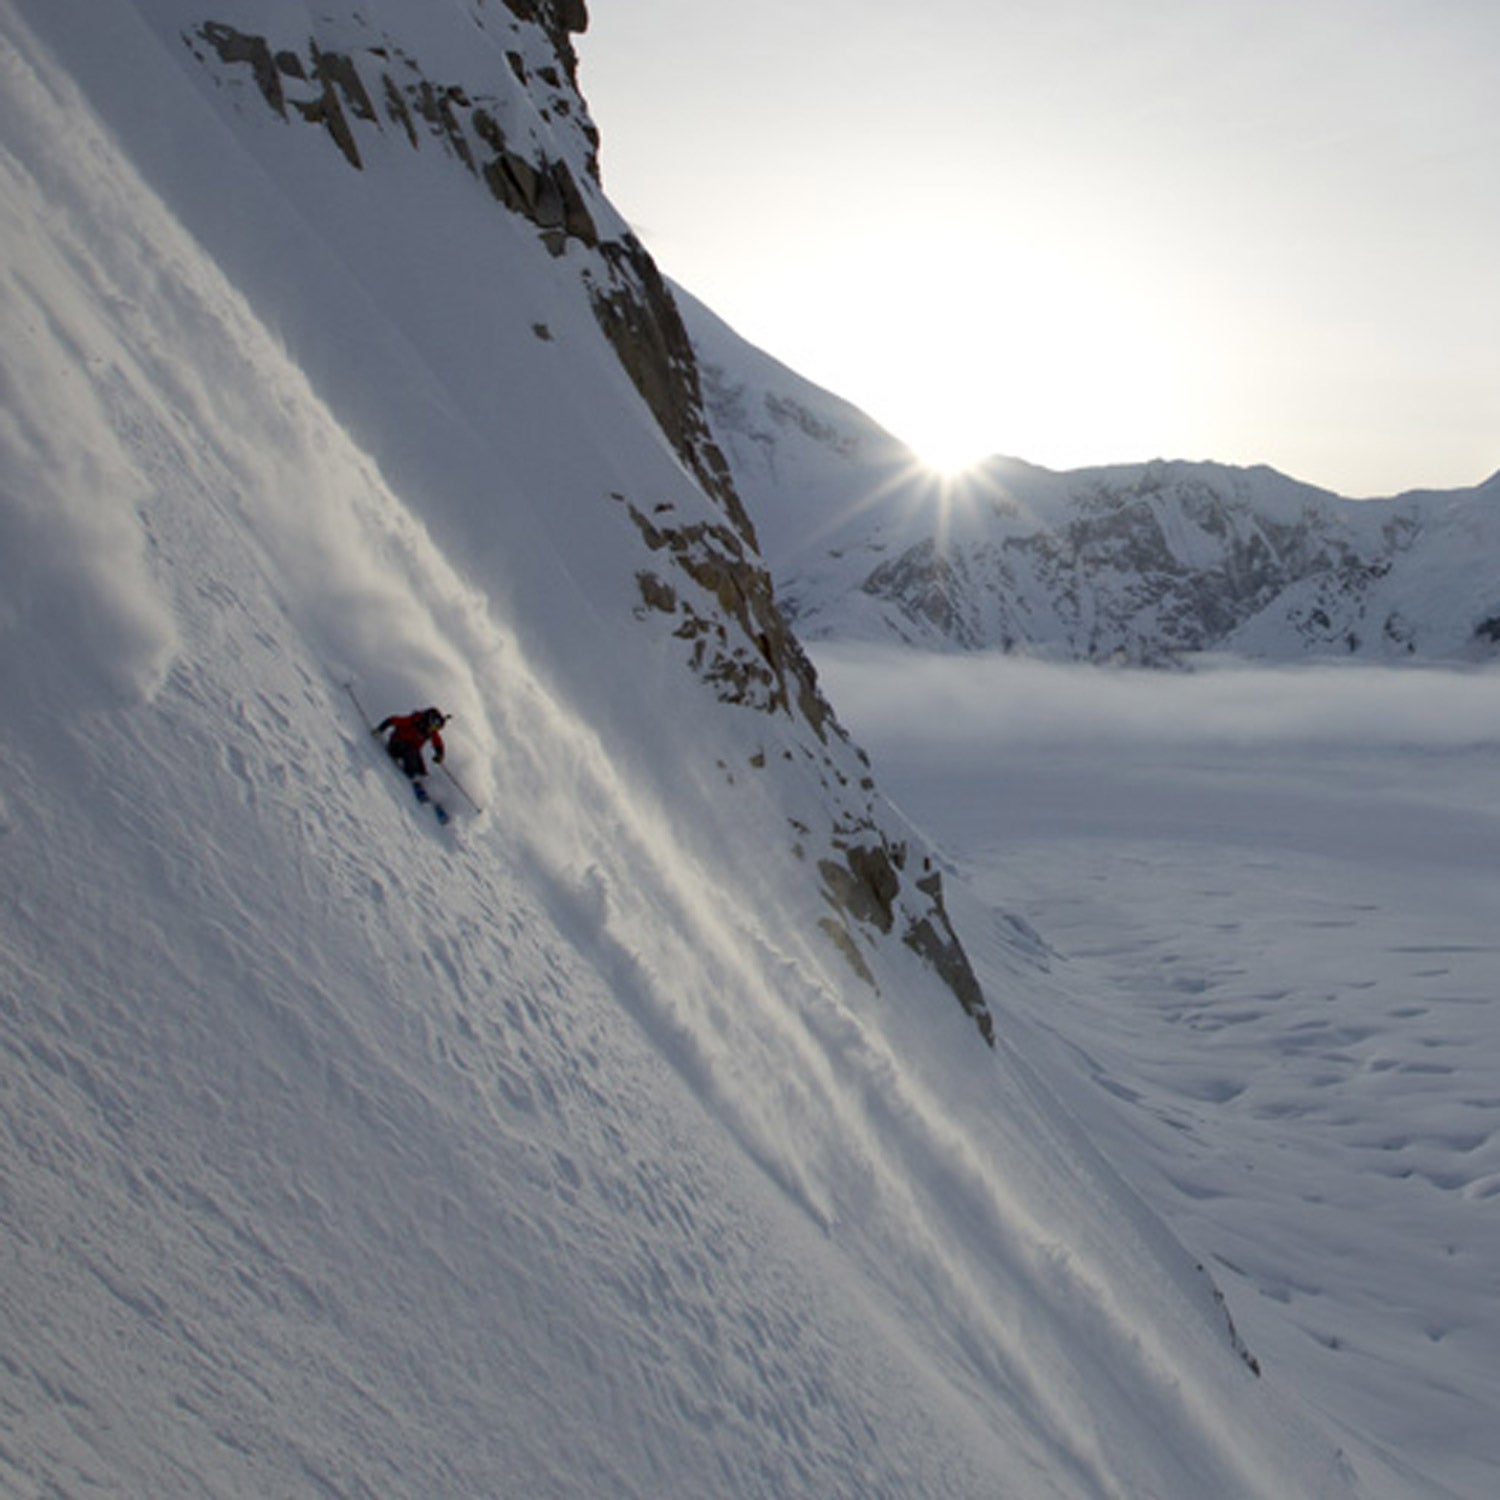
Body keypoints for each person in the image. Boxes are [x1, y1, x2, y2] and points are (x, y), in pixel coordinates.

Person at [374, 706, 448, 782]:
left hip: (412, 749)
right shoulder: (414, 721)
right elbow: (393, 720)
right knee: (410, 750)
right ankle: (412, 773)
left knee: (420, 767)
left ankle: (421, 777)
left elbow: (437, 742)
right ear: (429, 719)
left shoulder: (430, 731)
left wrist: (439, 754)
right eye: (434, 723)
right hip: (396, 744)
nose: (434, 728)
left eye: (437, 727)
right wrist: (380, 729)